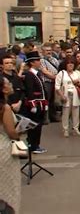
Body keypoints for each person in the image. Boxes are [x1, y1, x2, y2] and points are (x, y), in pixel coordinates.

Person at [0, 77, 21, 214]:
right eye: (8, 83)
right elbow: (11, 131)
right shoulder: (5, 108)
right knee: (8, 186)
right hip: (4, 148)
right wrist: (20, 133)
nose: (11, 85)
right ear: (3, 88)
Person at [21, 51, 48, 154]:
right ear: (32, 63)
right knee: (35, 126)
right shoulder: (29, 75)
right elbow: (30, 90)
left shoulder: (37, 74)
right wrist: (32, 104)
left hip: (40, 103)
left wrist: (45, 102)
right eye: (37, 60)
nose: (39, 62)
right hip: (35, 104)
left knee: (39, 125)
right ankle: (33, 145)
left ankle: (36, 144)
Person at [55, 57, 80, 137]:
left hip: (75, 95)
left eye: (72, 63)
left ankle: (76, 129)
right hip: (66, 95)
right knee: (65, 113)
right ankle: (65, 130)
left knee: (76, 113)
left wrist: (78, 83)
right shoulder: (62, 73)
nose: (70, 65)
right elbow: (57, 86)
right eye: (69, 63)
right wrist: (61, 95)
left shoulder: (77, 73)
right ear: (66, 64)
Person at [39, 43, 60, 123]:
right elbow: (45, 72)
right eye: (47, 50)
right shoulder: (41, 61)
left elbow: (59, 69)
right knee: (46, 100)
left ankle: (53, 116)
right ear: (43, 52)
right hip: (46, 83)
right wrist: (57, 77)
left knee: (53, 101)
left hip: (55, 83)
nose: (49, 52)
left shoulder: (54, 60)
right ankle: (45, 118)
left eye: (50, 50)